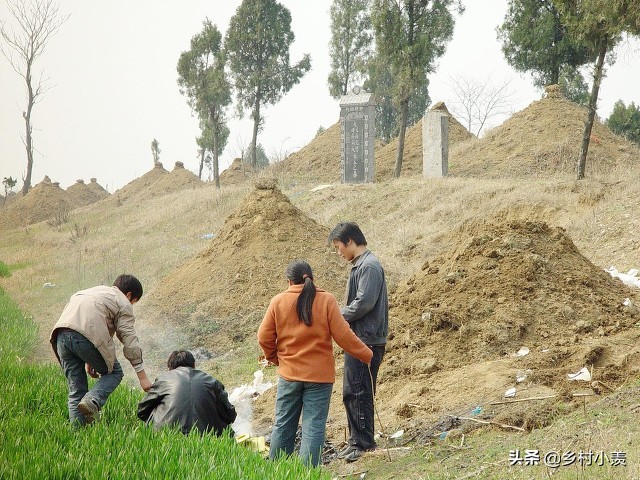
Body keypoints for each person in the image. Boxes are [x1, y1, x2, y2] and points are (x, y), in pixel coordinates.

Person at [258, 260, 373, 467]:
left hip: (289, 375)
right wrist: (367, 354)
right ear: (312, 278)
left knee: (283, 424)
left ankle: (277, 471)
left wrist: (276, 359)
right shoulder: (326, 300)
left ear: (288, 282)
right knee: (314, 426)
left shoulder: (278, 301)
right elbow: (344, 336)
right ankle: (307, 473)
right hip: (320, 378)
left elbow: (263, 337)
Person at [50, 274, 152, 426]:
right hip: (86, 337)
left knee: (76, 390)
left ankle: (77, 435)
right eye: (134, 302)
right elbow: (129, 340)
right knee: (115, 372)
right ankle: (92, 400)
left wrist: (90, 359)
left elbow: (90, 321)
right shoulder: (123, 301)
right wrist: (143, 378)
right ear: (129, 294)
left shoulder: (93, 291)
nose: (131, 305)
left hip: (60, 337)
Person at [328, 222, 389, 462]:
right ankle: (357, 441)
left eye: (338, 247)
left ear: (350, 242)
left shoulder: (369, 266)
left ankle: (363, 444)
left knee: (359, 392)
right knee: (352, 392)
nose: (338, 252)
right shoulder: (360, 266)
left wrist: (334, 315)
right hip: (360, 338)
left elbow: (364, 303)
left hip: (367, 340)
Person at [137, 350, 237, 435]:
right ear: (194, 365)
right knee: (228, 430)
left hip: (165, 436)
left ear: (170, 367)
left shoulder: (163, 379)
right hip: (205, 437)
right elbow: (230, 415)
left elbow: (142, 411)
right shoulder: (212, 382)